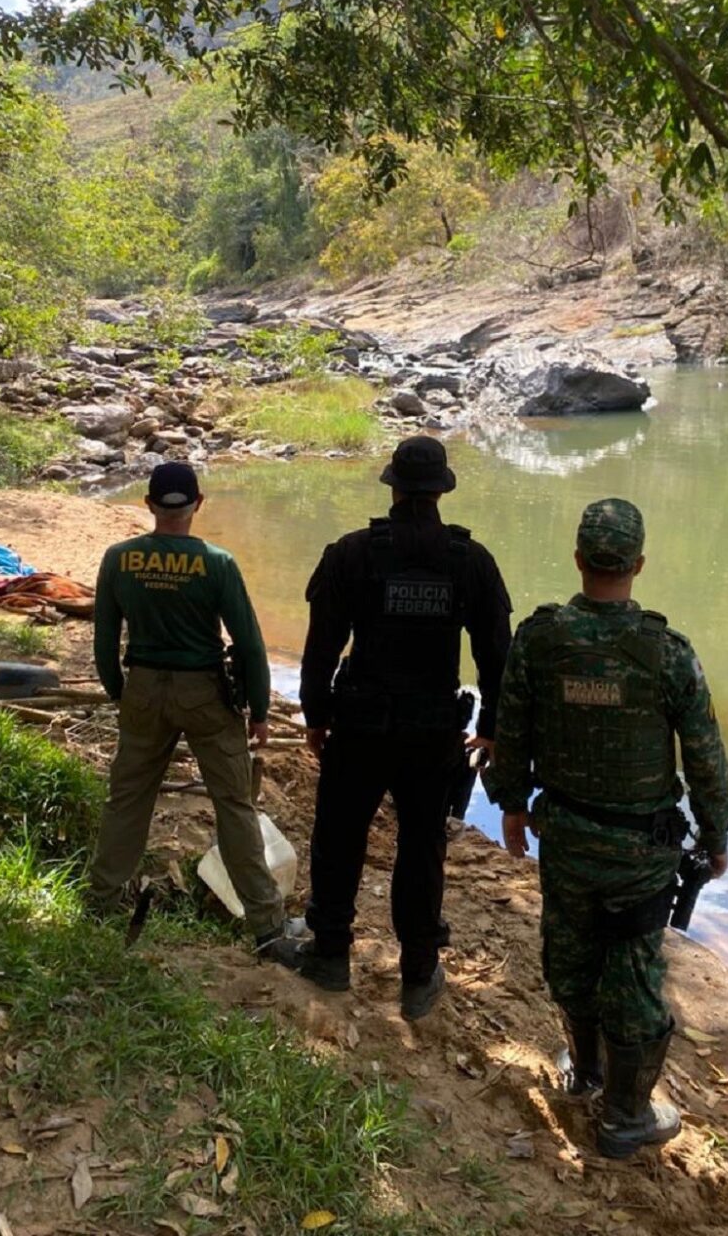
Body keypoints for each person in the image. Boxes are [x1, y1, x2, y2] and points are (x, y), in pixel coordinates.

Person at [485, 498, 728, 1158]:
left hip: (565, 835)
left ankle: (585, 1071)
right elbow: (706, 756)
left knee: (570, 953)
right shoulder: (667, 654)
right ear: (639, 564)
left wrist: (510, 803)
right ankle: (625, 1116)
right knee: (631, 973)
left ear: (578, 560)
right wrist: (716, 837)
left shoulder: (540, 639)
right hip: (639, 852)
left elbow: (508, 732)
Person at [296, 435, 512, 1018]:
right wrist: (490, 728)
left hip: (360, 728)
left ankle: (330, 956)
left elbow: (320, 650)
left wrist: (316, 716)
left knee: (340, 836)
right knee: (422, 846)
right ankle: (418, 973)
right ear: (442, 490)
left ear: (392, 486)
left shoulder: (352, 553)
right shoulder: (470, 562)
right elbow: (498, 658)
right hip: (432, 735)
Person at [88, 460, 302, 968]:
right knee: (233, 805)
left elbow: (103, 643)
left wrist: (122, 693)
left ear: (149, 505)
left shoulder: (120, 559)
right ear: (198, 504)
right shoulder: (217, 563)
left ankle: (99, 902)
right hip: (206, 695)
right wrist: (260, 709)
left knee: (128, 798)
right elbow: (249, 644)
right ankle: (268, 928)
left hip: (143, 686)